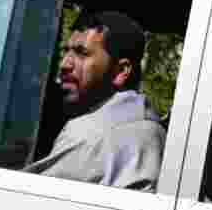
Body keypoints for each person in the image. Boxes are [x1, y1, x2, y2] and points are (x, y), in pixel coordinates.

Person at [24, 11, 165, 191]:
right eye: (66, 51)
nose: (65, 64)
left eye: (82, 53)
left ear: (121, 71)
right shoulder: (149, 125)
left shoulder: (93, 133)